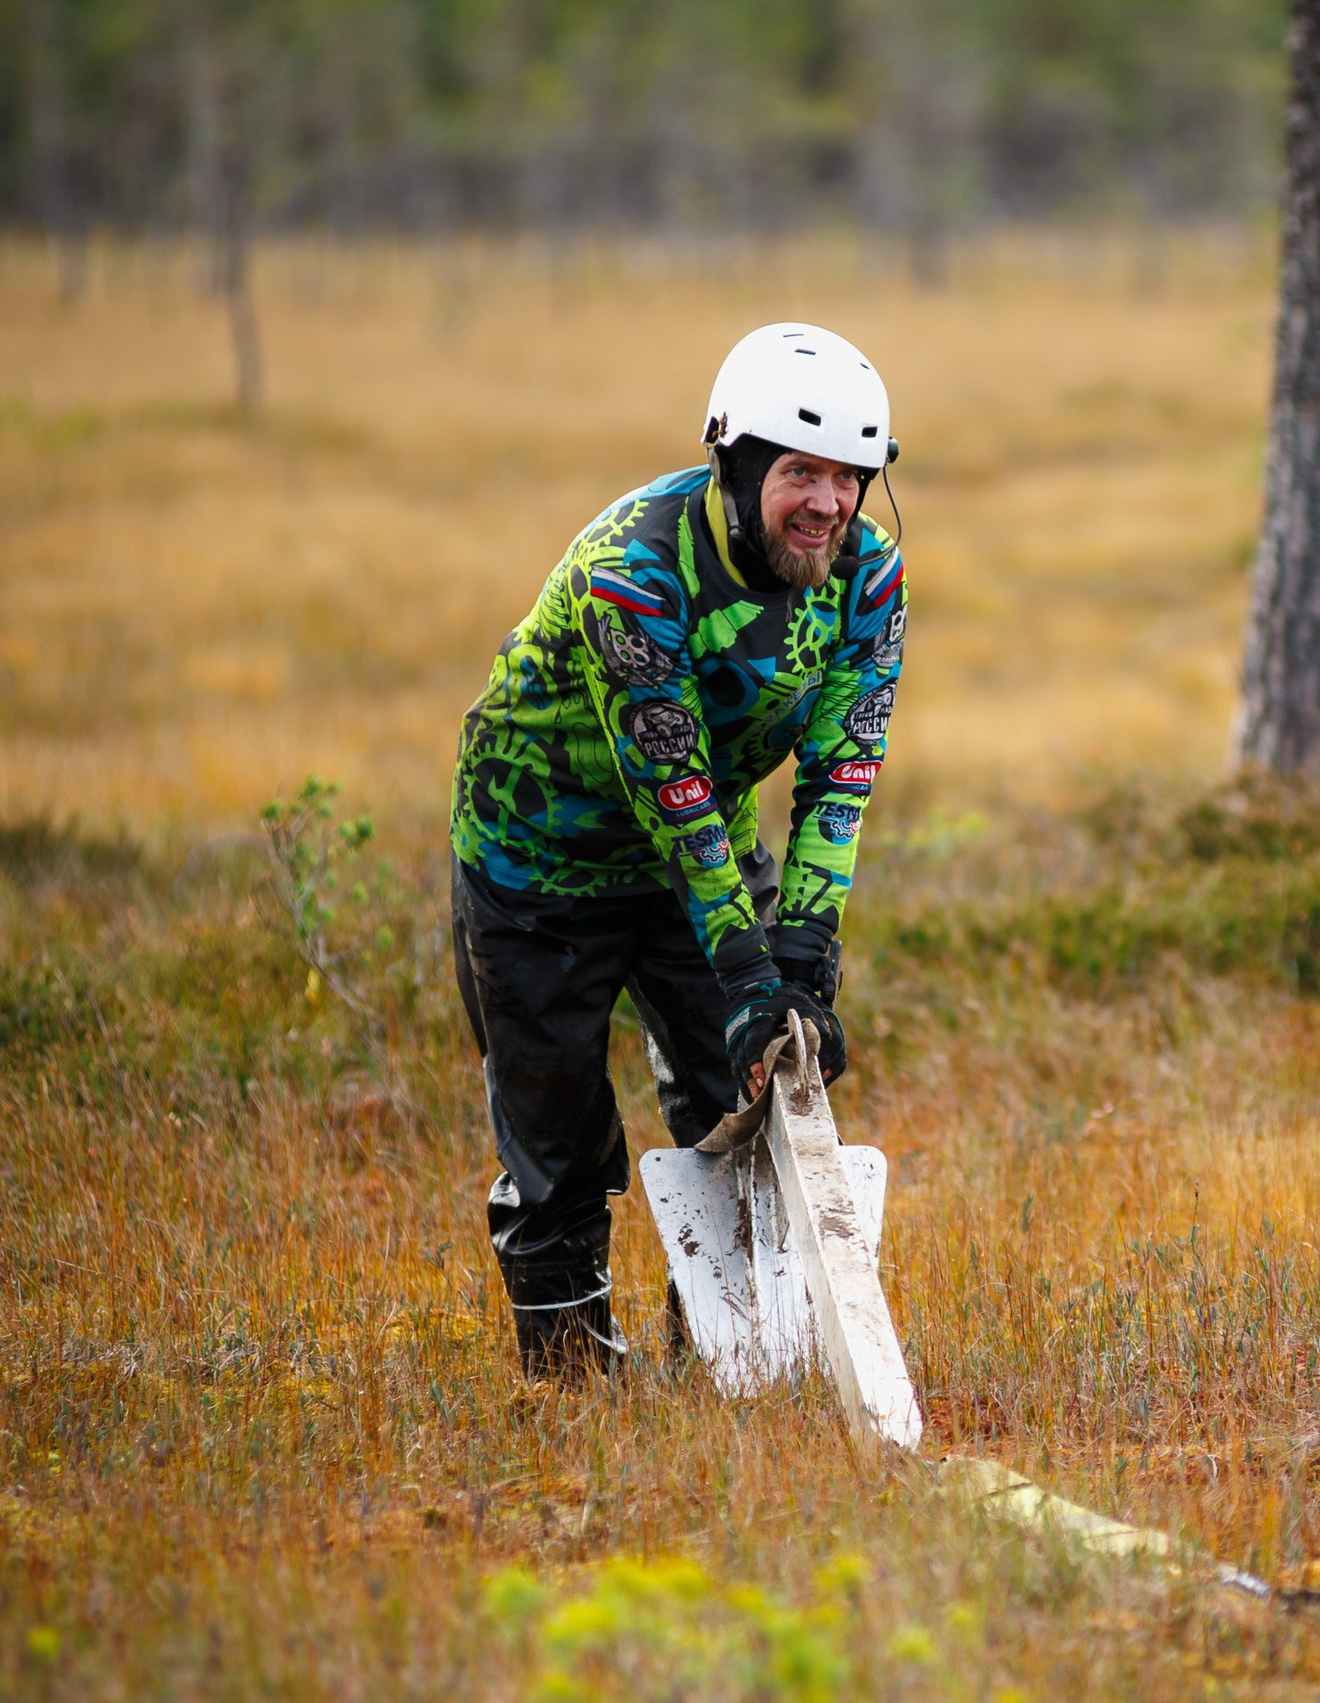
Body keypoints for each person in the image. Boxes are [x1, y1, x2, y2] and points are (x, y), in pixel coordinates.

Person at [448, 323, 907, 1381]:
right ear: (735, 465)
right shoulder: (635, 569)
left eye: (850, 477)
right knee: (559, 1139)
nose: (828, 503)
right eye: (800, 472)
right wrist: (746, 966)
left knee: (744, 1093)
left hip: (697, 854)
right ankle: (570, 1388)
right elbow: (680, 798)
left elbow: (841, 776)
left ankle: (722, 1364)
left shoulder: (868, 579)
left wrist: (803, 964)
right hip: (536, 862)